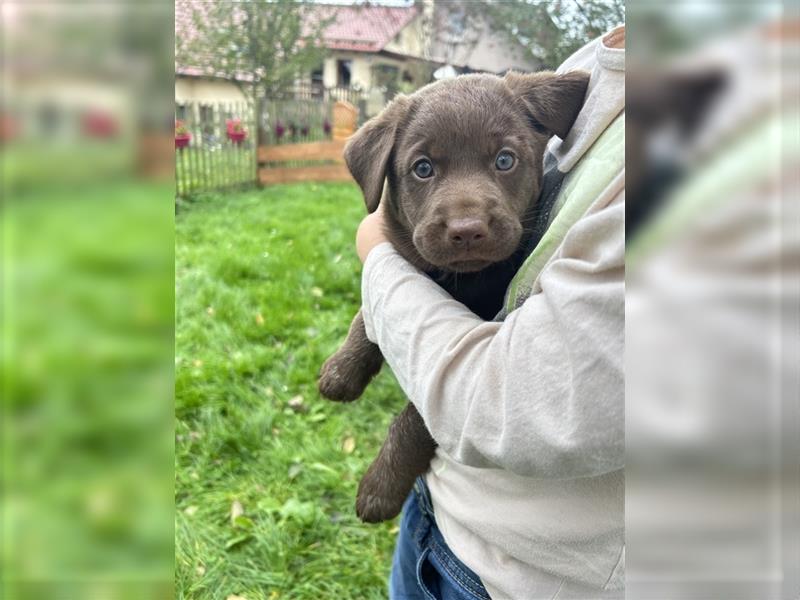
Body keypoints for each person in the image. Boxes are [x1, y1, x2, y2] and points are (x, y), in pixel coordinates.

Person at [355, 26, 625, 600]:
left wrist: (376, 257)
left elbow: (517, 394)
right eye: (424, 169)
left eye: (505, 159)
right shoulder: (600, 67)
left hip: (513, 578)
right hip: (441, 520)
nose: (466, 218)